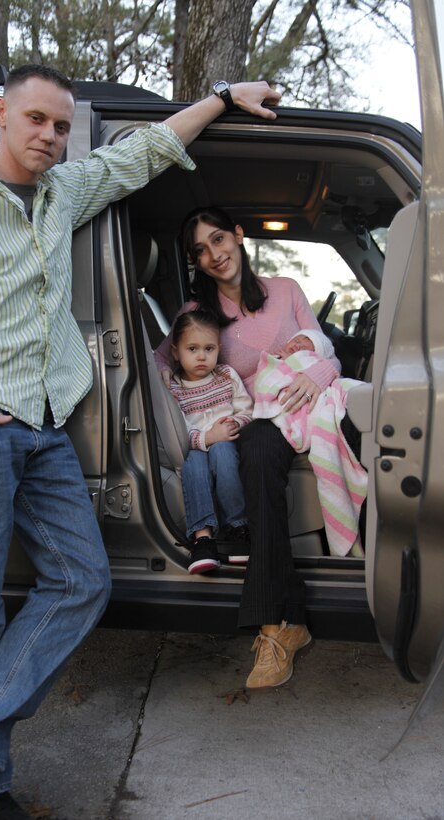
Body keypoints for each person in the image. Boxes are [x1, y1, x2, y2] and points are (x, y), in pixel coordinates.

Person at [0, 68, 281, 819]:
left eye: (61, 125)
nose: (49, 135)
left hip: (43, 429)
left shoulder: (60, 194)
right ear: (1, 115)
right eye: (36, 119)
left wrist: (222, 99)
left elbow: (140, 154)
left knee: (81, 582)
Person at [155, 206, 341, 690]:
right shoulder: (196, 317)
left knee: (262, 444)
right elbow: (156, 365)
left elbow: (325, 348)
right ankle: (275, 627)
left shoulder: (285, 290)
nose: (214, 255)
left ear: (238, 236)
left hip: (297, 408)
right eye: (201, 250)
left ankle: (285, 623)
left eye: (219, 239)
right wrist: (196, 421)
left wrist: (316, 373)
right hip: (251, 422)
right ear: (196, 261)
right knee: (257, 446)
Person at [253, 328, 367, 557]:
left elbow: (330, 360)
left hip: (324, 399)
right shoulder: (273, 363)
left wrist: (319, 373)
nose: (299, 344)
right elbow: (267, 384)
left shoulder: (289, 294)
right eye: (295, 339)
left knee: (351, 406)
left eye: (307, 344)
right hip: (266, 421)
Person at [169, 309, 252, 574]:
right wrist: (207, 437)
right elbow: (180, 431)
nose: (202, 356)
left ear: (219, 349)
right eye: (192, 348)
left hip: (227, 442)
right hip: (195, 445)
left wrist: (233, 425)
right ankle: (202, 538)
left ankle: (239, 529)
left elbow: (247, 410)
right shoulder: (174, 388)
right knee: (193, 464)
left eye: (209, 348)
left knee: (223, 453)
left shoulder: (226, 376)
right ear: (175, 352)